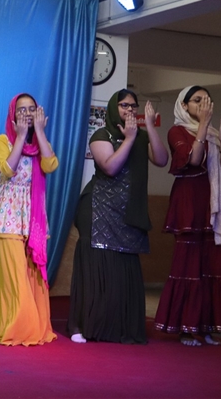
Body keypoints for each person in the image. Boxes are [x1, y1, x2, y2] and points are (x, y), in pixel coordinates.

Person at [67, 89, 168, 344]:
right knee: (97, 269)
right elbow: (110, 167)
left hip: (128, 212)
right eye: (124, 105)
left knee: (123, 272)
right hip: (98, 209)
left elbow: (161, 159)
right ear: (114, 107)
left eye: (133, 106)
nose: (129, 110)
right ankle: (83, 326)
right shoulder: (102, 135)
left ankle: (118, 329)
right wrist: (129, 139)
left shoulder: (141, 136)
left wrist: (150, 127)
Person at [154, 85, 221, 347]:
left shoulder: (213, 134)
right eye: (197, 100)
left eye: (207, 100)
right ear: (184, 105)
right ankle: (185, 328)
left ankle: (205, 328)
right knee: (189, 267)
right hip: (189, 206)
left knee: (213, 265)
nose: (204, 104)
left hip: (214, 206)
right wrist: (203, 124)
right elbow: (193, 160)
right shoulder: (177, 131)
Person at [0, 93, 58, 346]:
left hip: (32, 214)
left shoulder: (40, 143)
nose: (27, 114)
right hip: (7, 213)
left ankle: (14, 323)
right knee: (13, 274)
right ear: (13, 114)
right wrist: (20, 137)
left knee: (29, 273)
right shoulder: (3, 140)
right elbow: (7, 170)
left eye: (31, 109)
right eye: (21, 110)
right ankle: (20, 326)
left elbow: (50, 165)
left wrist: (39, 132)